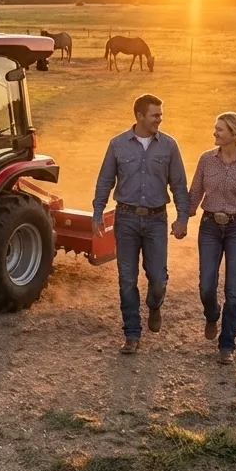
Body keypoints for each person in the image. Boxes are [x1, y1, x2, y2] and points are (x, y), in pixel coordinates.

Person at [92, 94, 189, 354]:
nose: (160, 119)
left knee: (157, 278)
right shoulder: (117, 145)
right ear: (140, 116)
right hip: (126, 219)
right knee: (126, 279)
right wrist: (97, 212)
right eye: (155, 115)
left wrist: (182, 216)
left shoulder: (169, 146)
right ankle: (132, 334)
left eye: (160, 114)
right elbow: (105, 181)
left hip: (157, 219)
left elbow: (179, 183)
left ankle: (154, 304)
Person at [187, 112, 236, 365]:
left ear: (234, 134)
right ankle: (212, 315)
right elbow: (195, 193)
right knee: (206, 285)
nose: (214, 133)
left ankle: (227, 345)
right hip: (210, 225)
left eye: (219, 129)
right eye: (215, 128)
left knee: (233, 290)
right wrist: (181, 217)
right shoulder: (206, 160)